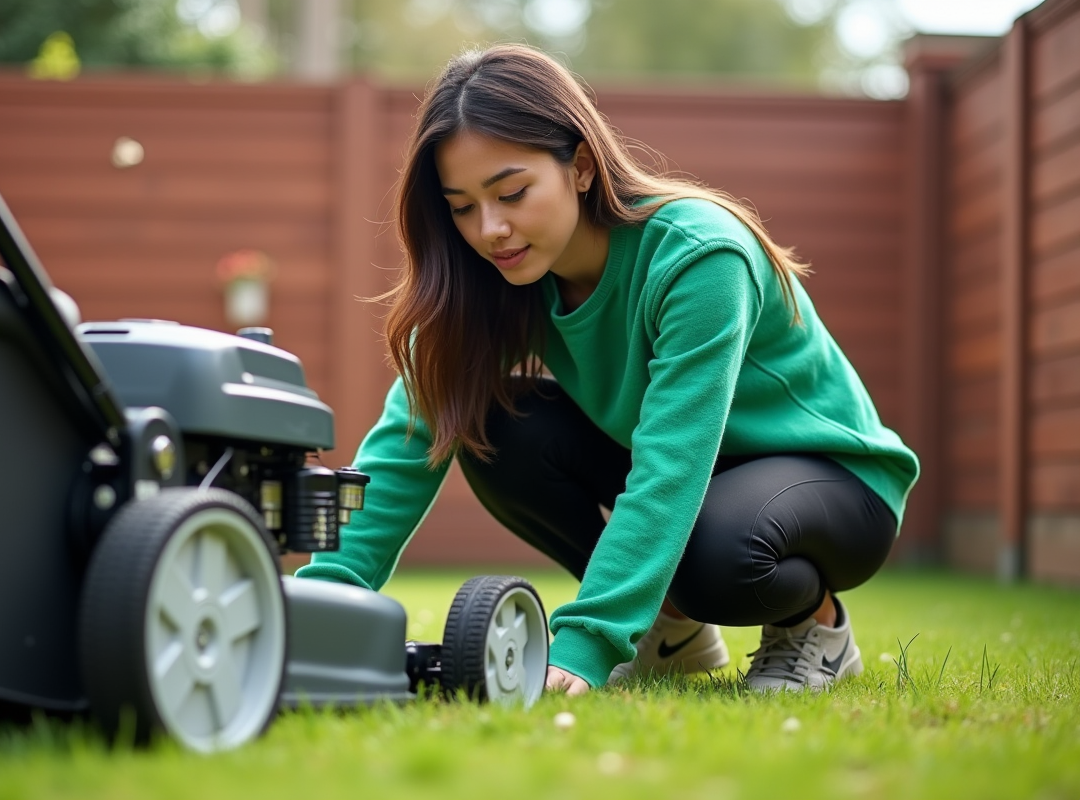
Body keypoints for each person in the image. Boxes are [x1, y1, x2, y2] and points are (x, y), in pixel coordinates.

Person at [295, 44, 918, 696]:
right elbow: (405, 440)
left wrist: (587, 641)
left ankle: (813, 629)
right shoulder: (498, 279)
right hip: (698, 482)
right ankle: (671, 631)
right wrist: (320, 604)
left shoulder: (699, 256)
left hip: (832, 479)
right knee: (486, 421)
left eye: (512, 192)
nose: (491, 229)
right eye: (462, 206)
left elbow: (672, 463)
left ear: (582, 167)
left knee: (717, 555)